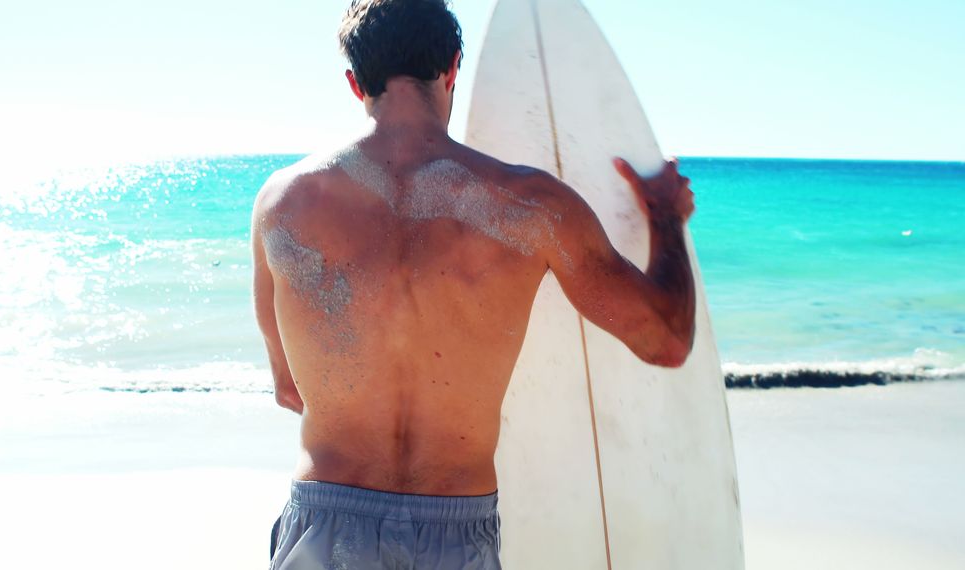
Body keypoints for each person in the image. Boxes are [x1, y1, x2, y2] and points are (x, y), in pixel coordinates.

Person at [254, 1, 696, 568]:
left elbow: (290, 389)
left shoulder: (281, 204)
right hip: (454, 532)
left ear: (353, 82)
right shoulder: (533, 206)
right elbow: (665, 340)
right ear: (453, 67)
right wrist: (664, 216)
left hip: (324, 529)